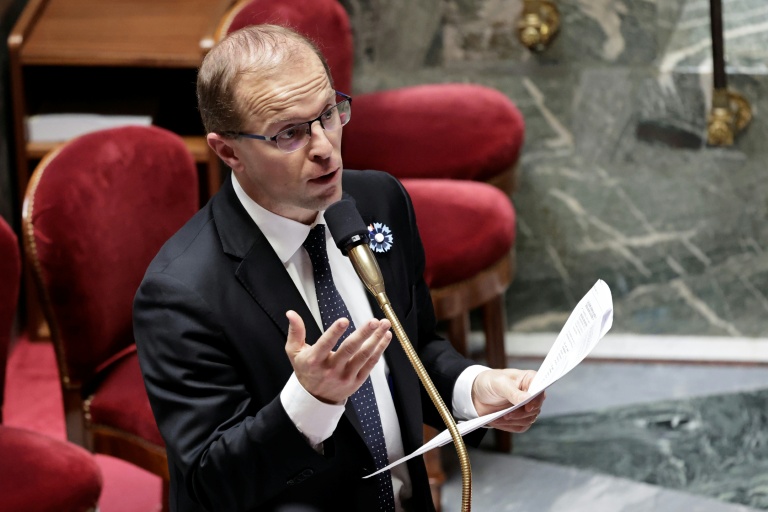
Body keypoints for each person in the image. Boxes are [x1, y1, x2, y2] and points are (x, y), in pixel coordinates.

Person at [133, 24, 545, 512]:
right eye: (289, 133)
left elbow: (417, 345)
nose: (324, 146)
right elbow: (212, 484)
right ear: (228, 151)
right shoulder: (180, 292)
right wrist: (310, 402)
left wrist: (472, 388)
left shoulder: (378, 201)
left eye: (328, 113)